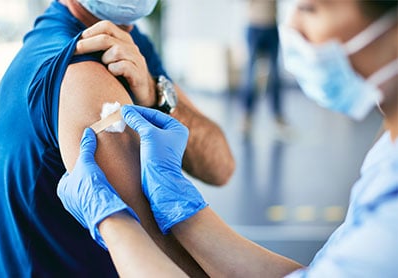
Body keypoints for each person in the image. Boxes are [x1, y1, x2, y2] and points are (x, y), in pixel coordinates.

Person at [58, 0, 398, 276]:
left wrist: (113, 221)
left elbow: (222, 166)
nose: (291, 28)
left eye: (311, 8)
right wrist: (186, 215)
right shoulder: (388, 150)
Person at [0, 0, 235, 276]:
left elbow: (221, 167)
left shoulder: (127, 41)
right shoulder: (80, 71)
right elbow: (167, 265)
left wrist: (156, 96)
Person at [242, 0, 284, 135]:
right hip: (254, 26)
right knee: (250, 75)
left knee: (275, 75)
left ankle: (278, 118)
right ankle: (246, 118)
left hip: (272, 27)